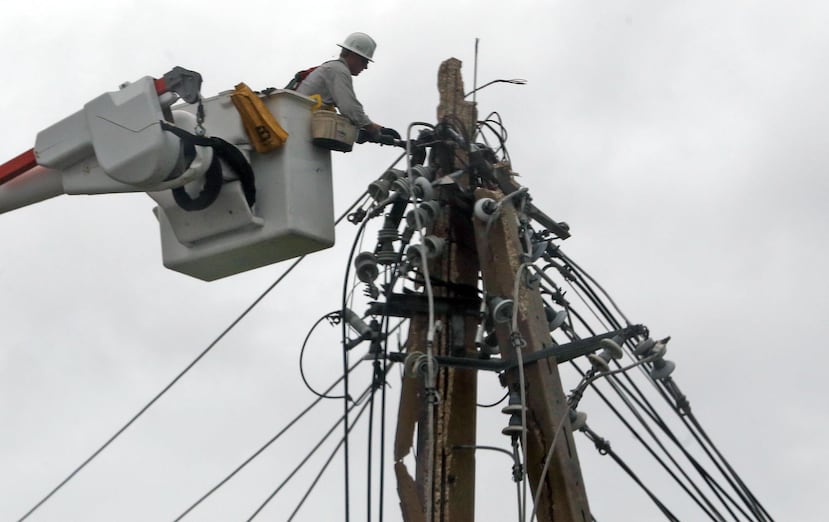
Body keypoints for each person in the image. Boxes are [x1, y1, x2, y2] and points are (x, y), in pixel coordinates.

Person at [295, 32, 396, 142]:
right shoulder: (339, 70)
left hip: (301, 128)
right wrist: (373, 130)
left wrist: (377, 128)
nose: (366, 67)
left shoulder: (332, 68)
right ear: (353, 55)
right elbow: (349, 108)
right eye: (364, 61)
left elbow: (347, 112)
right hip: (299, 130)